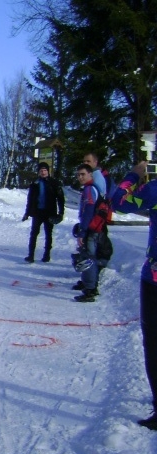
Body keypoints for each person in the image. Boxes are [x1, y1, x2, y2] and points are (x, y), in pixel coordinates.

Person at [109, 161, 157, 429]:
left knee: (153, 343)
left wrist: (133, 175)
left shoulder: (154, 190)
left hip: (154, 279)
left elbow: (119, 202)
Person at [22, 161, 65, 263]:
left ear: (48, 171)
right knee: (34, 234)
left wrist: (61, 212)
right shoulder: (35, 184)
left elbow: (60, 198)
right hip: (38, 212)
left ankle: (47, 255)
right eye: (41, 170)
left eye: (45, 170)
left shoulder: (54, 183)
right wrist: (27, 213)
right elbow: (30, 200)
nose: (43, 172)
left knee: (48, 234)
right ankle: (31, 255)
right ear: (38, 172)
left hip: (50, 212)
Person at [72, 163, 103, 302]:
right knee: (85, 255)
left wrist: (82, 231)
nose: (80, 177)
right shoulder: (88, 189)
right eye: (78, 175)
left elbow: (89, 211)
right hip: (90, 227)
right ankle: (87, 283)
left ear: (90, 174)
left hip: (91, 229)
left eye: (83, 174)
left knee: (88, 258)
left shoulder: (90, 189)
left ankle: (90, 289)